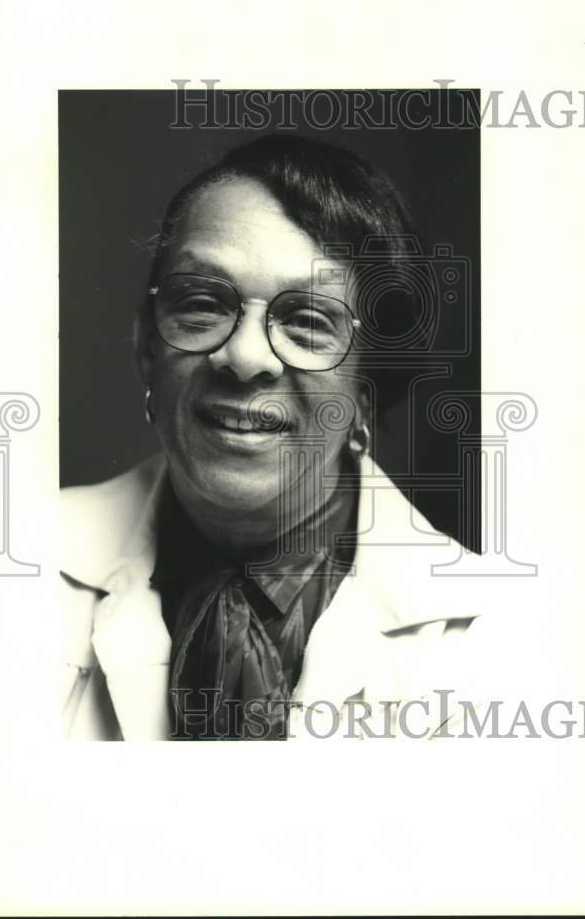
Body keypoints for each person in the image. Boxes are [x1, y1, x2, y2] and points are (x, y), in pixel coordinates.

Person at [61, 133, 529, 741]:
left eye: (308, 321)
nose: (245, 355)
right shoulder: (13, 567)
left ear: (367, 388)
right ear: (146, 347)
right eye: (202, 303)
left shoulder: (496, 638)